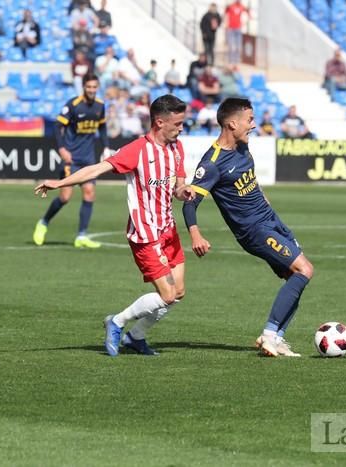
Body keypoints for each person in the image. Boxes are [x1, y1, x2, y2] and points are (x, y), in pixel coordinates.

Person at [34, 95, 195, 357]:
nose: (181, 128)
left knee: (179, 292)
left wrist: (183, 190)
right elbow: (96, 169)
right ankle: (117, 322)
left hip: (168, 228)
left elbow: (177, 186)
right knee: (167, 295)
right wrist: (61, 183)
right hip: (145, 233)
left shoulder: (176, 147)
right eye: (177, 123)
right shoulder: (136, 150)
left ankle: (136, 336)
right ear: (159, 122)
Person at [182, 98, 314, 357]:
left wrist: (273, 215)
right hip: (253, 231)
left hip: (271, 221)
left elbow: (253, 184)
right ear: (232, 123)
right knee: (304, 270)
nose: (254, 125)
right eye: (249, 119)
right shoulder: (212, 163)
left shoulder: (243, 148)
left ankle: (275, 338)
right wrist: (195, 234)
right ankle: (269, 334)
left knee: (294, 278)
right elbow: (189, 204)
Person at [32, 74, 107, 249]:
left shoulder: (100, 106)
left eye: (94, 87)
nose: (91, 90)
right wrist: (62, 149)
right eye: (88, 87)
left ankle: (81, 235)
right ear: (83, 87)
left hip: (88, 159)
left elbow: (102, 127)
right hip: (71, 158)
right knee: (65, 197)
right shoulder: (73, 105)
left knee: (89, 193)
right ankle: (43, 222)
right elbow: (58, 127)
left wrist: (106, 147)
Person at [225, 0, 249, 65]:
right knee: (231, 46)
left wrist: (245, 23)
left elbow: (248, 12)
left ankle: (236, 61)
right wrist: (226, 25)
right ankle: (230, 60)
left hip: (238, 28)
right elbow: (225, 13)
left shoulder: (242, 6)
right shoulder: (231, 6)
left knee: (238, 46)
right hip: (231, 28)